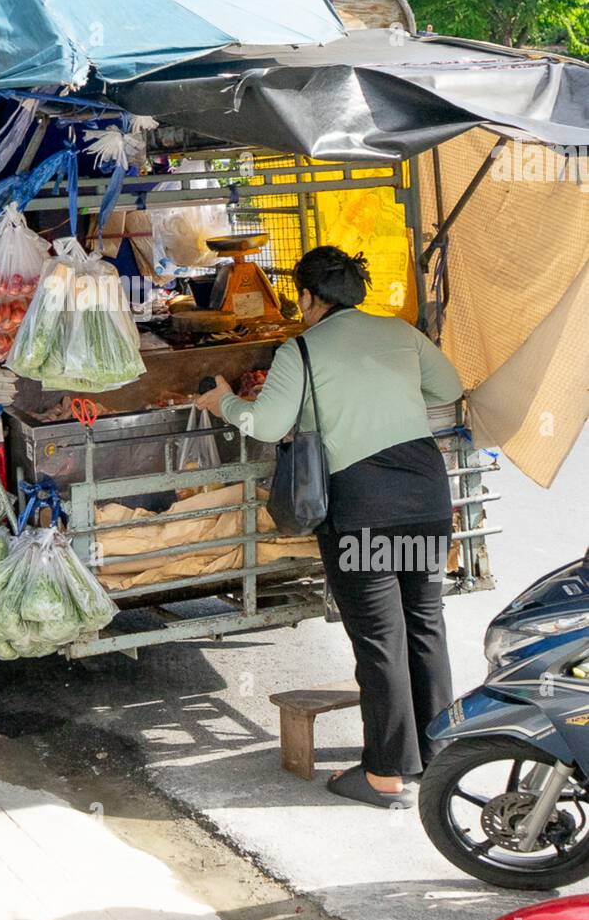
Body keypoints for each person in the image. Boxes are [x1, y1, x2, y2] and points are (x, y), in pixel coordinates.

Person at [197, 245, 463, 810]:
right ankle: (443, 760)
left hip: (363, 507)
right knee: (425, 624)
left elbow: (267, 424)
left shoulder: (302, 350)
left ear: (310, 298)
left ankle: (387, 774)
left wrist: (223, 401)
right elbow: (449, 389)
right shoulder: (401, 332)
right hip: (426, 495)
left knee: (379, 638)